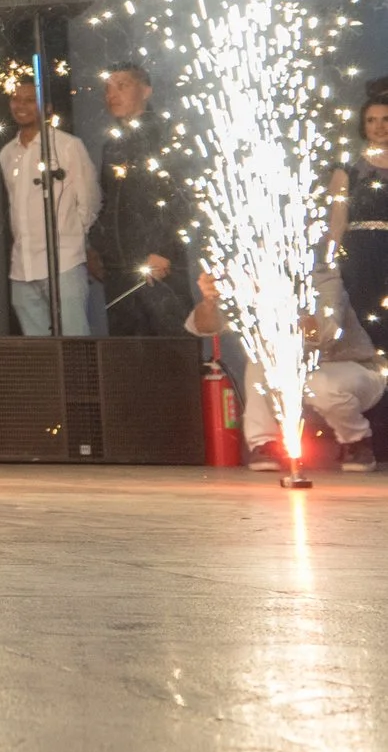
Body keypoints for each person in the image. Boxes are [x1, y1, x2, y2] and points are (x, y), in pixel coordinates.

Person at [186, 266, 379, 472]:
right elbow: (205, 327)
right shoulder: (249, 273)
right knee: (261, 356)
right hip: (292, 376)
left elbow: (325, 332)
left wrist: (281, 313)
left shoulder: (323, 276)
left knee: (319, 384)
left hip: (349, 368)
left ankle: (356, 440)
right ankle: (264, 444)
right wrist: (210, 301)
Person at [92, 62, 194, 336]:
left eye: (122, 85)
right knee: (126, 355)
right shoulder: (112, 144)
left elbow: (181, 197)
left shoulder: (165, 134)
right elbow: (109, 200)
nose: (112, 94)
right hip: (119, 268)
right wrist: (100, 246)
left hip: (159, 264)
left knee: (167, 346)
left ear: (146, 90)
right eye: (107, 88)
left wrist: (163, 249)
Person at [0, 71, 100, 337]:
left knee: (74, 344)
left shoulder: (67, 146)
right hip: (22, 265)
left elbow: (89, 200)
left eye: (30, 100)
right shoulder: (7, 153)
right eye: (16, 99)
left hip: (63, 260)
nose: (21, 106)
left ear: (48, 108)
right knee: (40, 354)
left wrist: (75, 238)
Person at [325, 95, 388, 345]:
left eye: (385, 119)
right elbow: (337, 222)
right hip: (359, 256)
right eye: (371, 120)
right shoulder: (348, 170)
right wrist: (329, 264)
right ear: (363, 125)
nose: (379, 126)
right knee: (364, 319)